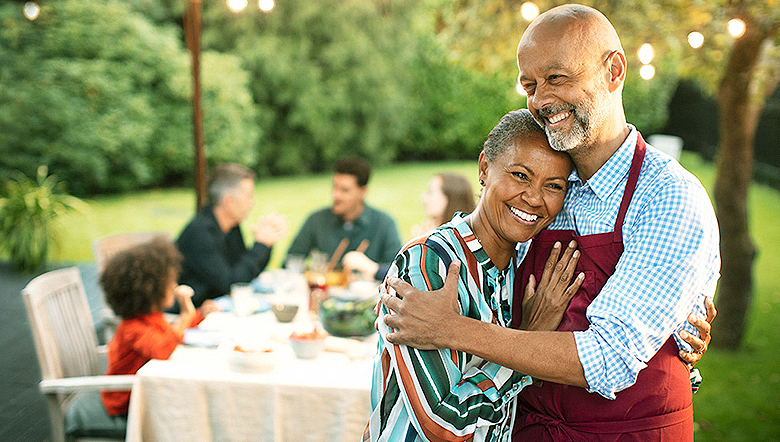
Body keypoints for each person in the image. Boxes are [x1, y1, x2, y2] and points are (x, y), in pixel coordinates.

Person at [380, 5, 719, 441]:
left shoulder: (668, 196)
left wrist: (451, 330)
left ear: (613, 71)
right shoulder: (548, 191)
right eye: (530, 85)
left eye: (557, 78)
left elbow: (612, 357)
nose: (541, 100)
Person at [367, 109, 585, 442]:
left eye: (553, 185)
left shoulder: (525, 268)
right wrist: (530, 340)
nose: (534, 198)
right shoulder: (430, 264)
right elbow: (443, 423)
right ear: (484, 168)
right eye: (520, 175)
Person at [64, 238, 216, 438]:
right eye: (169, 282)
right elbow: (161, 349)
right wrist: (186, 317)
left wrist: (198, 316)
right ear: (149, 289)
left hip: (142, 396)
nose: (174, 286)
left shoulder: (151, 317)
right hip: (125, 406)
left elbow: (169, 334)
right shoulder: (132, 329)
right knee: (184, 423)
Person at [176, 163, 287, 307]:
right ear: (229, 201)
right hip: (189, 314)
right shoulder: (201, 233)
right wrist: (260, 245)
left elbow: (244, 274)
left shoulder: (231, 227)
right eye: (248, 196)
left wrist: (265, 244)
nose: (252, 203)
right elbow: (230, 284)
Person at [285, 157, 402, 280]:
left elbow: (399, 273)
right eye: (334, 187)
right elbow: (291, 262)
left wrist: (371, 267)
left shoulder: (384, 223)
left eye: (344, 190)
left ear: (362, 192)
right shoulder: (316, 220)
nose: (336, 195)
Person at [346, 172, 476, 279]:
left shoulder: (454, 244)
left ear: (450, 199)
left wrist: (371, 268)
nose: (423, 198)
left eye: (430, 192)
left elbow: (408, 279)